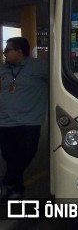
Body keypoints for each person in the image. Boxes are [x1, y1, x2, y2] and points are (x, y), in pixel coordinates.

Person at [0, 37, 48, 201]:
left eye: (8, 50)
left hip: (30, 121)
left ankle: (8, 181)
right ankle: (16, 190)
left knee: (27, 152)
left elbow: (61, 79)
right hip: (5, 122)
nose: (4, 53)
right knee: (10, 156)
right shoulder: (3, 70)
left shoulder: (39, 67)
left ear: (19, 51)